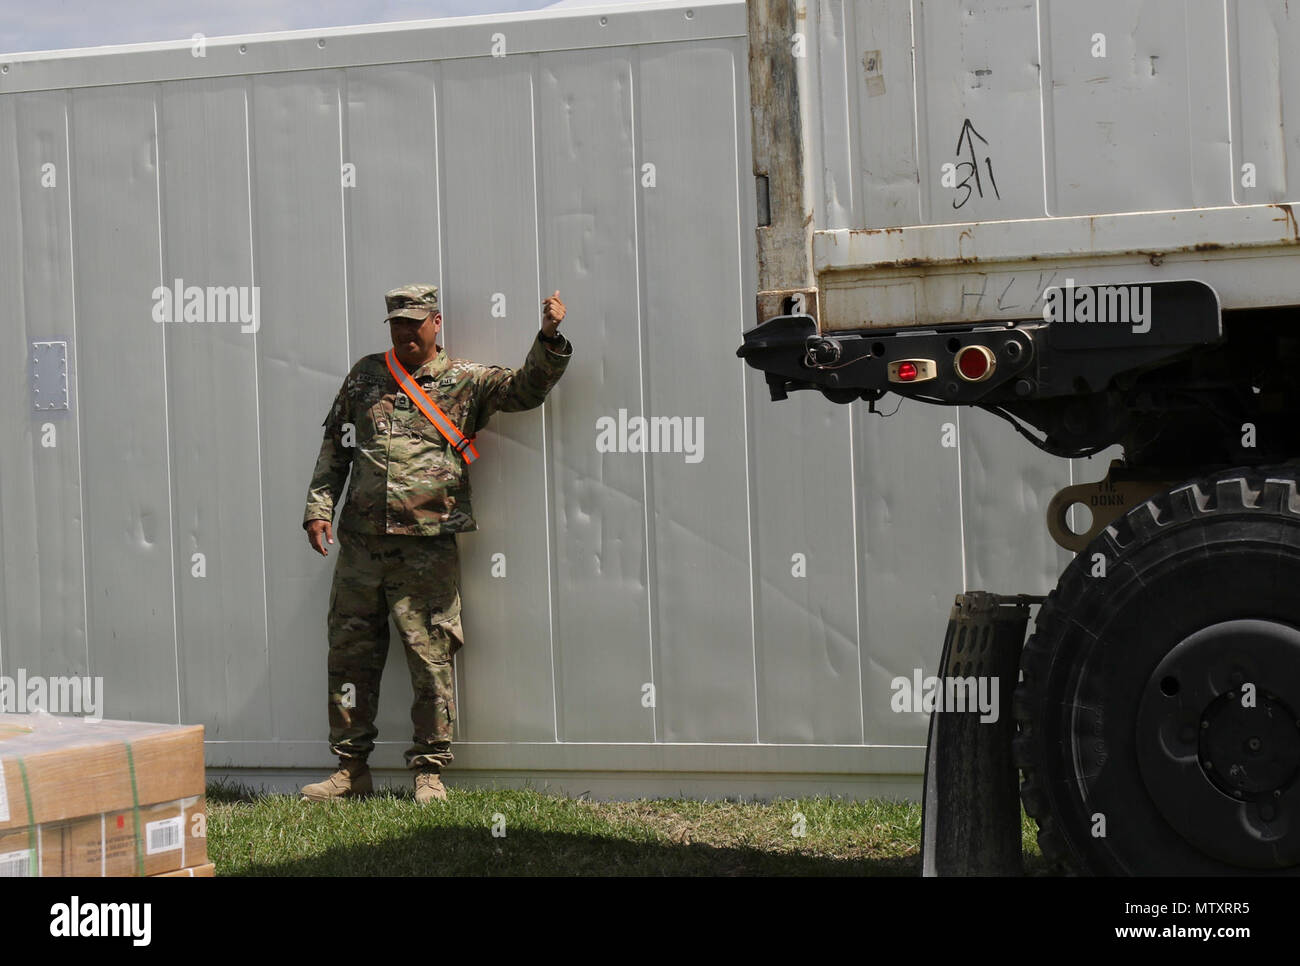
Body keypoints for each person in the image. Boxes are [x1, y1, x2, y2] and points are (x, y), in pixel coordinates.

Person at [300, 284, 571, 803]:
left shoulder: (464, 380)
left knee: (429, 658)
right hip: (360, 546)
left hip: (426, 547)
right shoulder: (365, 376)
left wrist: (549, 337)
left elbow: (525, 389)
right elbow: (337, 446)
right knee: (350, 657)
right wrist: (318, 509)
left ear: (436, 322)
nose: (405, 330)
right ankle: (351, 769)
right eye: (397, 323)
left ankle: (428, 772)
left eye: (414, 321)